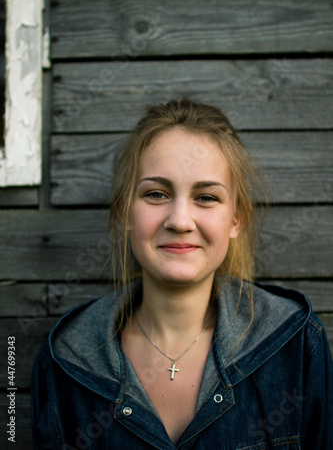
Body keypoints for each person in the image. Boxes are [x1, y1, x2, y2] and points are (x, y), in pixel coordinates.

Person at [31, 99, 332, 449]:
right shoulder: (66, 361)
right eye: (156, 194)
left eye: (206, 197)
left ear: (236, 220)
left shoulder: (295, 345)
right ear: (125, 213)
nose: (179, 221)